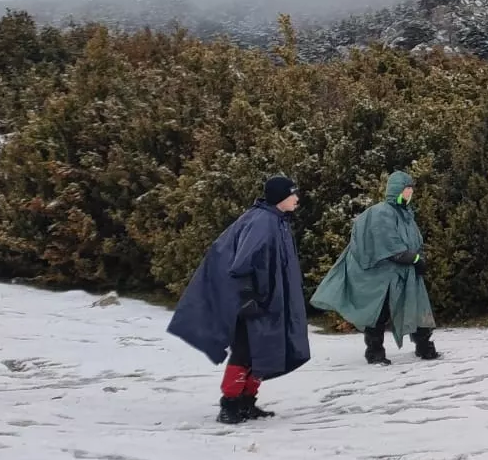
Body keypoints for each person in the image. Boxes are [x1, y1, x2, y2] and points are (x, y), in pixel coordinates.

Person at [167, 176, 311, 425]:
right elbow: (242, 262)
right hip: (252, 300)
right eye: (292, 194)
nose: (297, 199)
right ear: (280, 198)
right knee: (245, 350)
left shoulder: (277, 220)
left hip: (267, 299)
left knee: (261, 350)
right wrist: (247, 297)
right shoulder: (262, 222)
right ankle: (230, 405)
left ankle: (247, 402)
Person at [310, 170, 439, 365]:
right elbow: (389, 244)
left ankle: (424, 347)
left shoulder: (406, 215)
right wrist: (415, 258)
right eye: (406, 189)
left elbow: (413, 241)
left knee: (417, 307)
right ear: (396, 190)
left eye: (411, 189)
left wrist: (417, 258)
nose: (410, 192)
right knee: (379, 314)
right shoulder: (381, 212)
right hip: (382, 277)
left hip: (404, 273)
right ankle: (375, 352)